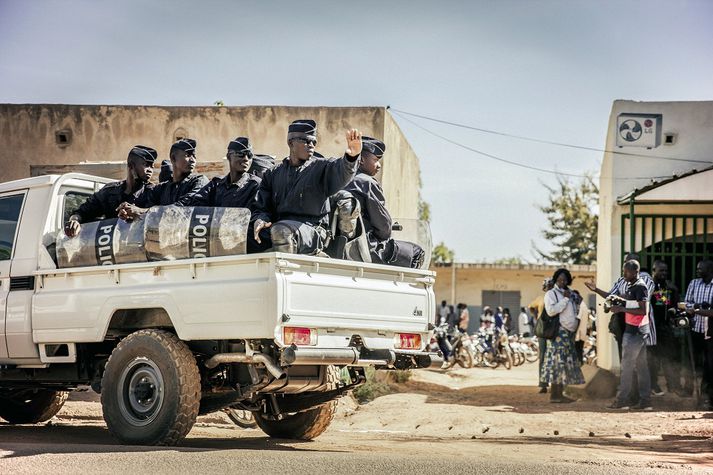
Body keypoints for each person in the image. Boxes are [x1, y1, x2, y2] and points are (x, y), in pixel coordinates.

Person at [251, 120, 361, 255]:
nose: (311, 145)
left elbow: (341, 171)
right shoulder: (273, 173)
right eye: (306, 141)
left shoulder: (321, 167)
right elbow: (262, 206)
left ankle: (285, 273)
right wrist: (261, 219)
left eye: (314, 142)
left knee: (281, 231)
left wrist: (351, 157)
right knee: (245, 236)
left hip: (313, 230)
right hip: (279, 227)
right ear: (291, 143)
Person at [341, 136, 424, 268]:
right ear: (361, 160)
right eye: (376, 160)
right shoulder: (367, 183)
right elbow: (384, 228)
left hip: (338, 245)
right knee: (416, 252)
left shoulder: (339, 177)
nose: (379, 165)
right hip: (364, 247)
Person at [64, 145, 157, 237]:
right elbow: (82, 212)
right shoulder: (109, 192)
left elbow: (162, 214)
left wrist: (139, 212)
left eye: (152, 166)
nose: (150, 170)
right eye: (146, 165)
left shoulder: (154, 192)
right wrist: (74, 221)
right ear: (131, 165)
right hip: (111, 248)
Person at [585, 252, 654, 361]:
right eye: (625, 262)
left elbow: (639, 300)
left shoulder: (645, 279)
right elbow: (611, 296)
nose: (625, 265)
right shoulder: (621, 280)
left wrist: (620, 299)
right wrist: (596, 290)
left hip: (638, 323)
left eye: (628, 262)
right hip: (623, 322)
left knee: (639, 358)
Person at [118, 138, 208, 220]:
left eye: (194, 156)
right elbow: (144, 209)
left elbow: (184, 208)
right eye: (188, 155)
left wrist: (142, 211)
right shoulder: (161, 189)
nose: (193, 160)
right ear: (173, 158)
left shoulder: (199, 181)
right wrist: (127, 211)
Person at [608, 260, 652, 411]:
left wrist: (621, 309)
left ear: (635, 271)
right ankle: (645, 401)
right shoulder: (634, 286)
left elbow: (643, 310)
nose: (624, 274)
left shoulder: (639, 287)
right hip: (639, 330)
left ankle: (622, 400)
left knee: (626, 367)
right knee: (641, 367)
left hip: (635, 332)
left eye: (626, 271)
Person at [541, 268, 585, 403]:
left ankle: (560, 394)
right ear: (555, 279)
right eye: (560, 279)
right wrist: (565, 299)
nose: (562, 282)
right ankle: (555, 395)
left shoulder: (569, 293)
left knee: (564, 364)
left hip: (569, 333)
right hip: (558, 333)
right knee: (557, 364)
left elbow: (579, 304)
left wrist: (573, 298)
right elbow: (551, 311)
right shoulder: (551, 294)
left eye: (565, 279)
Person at [181, 137, 261, 209]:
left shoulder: (255, 185)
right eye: (241, 154)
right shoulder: (215, 184)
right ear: (229, 156)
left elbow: (255, 213)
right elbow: (197, 203)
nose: (246, 159)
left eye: (249, 155)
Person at [648, 260, 682, 396]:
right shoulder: (648, 286)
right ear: (654, 270)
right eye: (661, 270)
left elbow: (673, 305)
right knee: (652, 360)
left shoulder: (669, 287)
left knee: (669, 358)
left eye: (666, 271)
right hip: (651, 329)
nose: (664, 273)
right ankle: (653, 386)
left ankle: (673, 386)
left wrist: (674, 310)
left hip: (665, 328)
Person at [684, 259, 713, 410]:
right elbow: (686, 303)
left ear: (709, 270)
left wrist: (697, 309)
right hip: (695, 329)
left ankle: (706, 396)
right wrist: (693, 307)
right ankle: (691, 392)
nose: (698, 271)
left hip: (710, 332)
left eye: (701, 269)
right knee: (694, 362)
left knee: (709, 365)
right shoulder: (694, 283)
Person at [536, 279, 554, 393]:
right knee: (545, 356)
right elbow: (531, 307)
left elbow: (531, 307)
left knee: (547, 357)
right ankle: (544, 383)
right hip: (545, 331)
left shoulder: (543, 299)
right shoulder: (541, 299)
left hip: (548, 331)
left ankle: (546, 384)